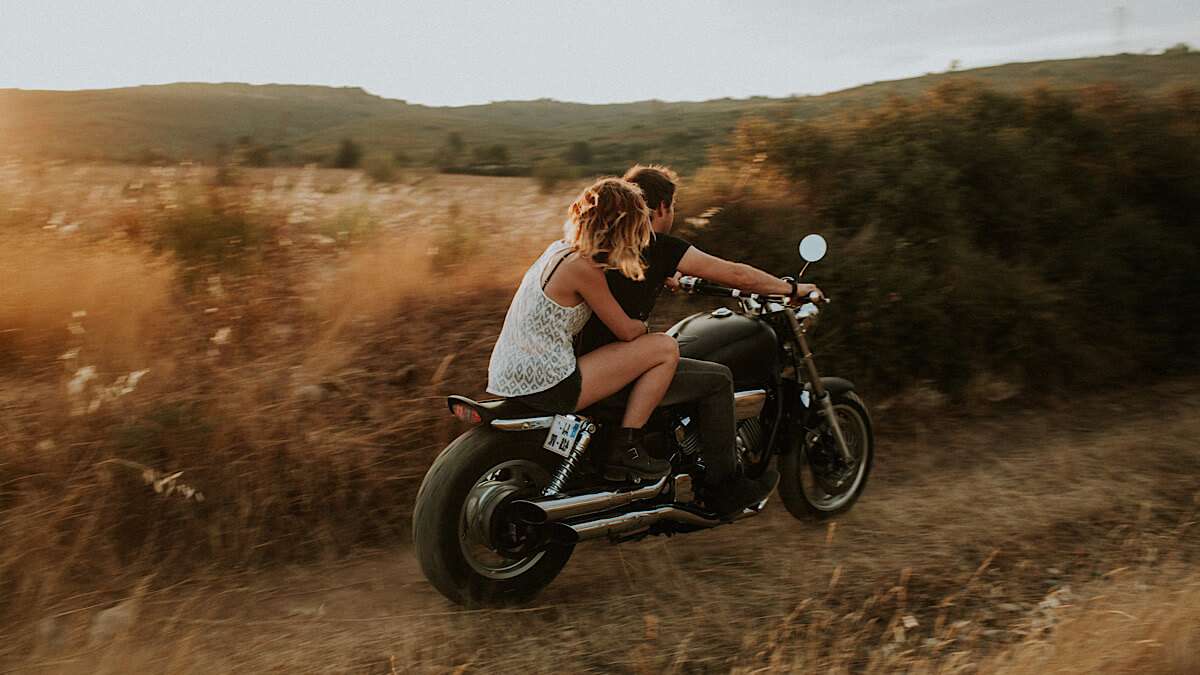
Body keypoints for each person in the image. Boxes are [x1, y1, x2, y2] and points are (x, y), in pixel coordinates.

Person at [575, 165, 822, 516]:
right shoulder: (659, 245)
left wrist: (670, 276)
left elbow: (634, 276)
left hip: (585, 362)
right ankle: (725, 488)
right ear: (661, 208)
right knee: (717, 379)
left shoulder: (604, 242)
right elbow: (736, 274)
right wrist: (792, 289)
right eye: (672, 207)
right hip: (611, 370)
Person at [487, 177, 679, 481]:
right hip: (550, 384)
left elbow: (613, 266)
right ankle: (626, 446)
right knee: (665, 348)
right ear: (620, 225)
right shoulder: (584, 269)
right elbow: (626, 332)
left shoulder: (559, 251)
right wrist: (643, 325)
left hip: (507, 375)